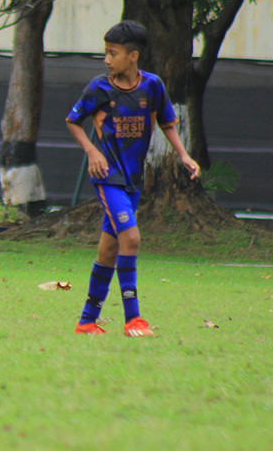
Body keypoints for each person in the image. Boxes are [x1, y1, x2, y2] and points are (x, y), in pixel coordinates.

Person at [66, 21, 200, 337]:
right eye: (106, 53)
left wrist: (183, 155)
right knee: (132, 238)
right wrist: (91, 152)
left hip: (133, 180)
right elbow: (73, 121)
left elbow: (168, 123)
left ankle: (86, 322)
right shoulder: (99, 88)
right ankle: (133, 320)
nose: (107, 60)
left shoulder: (152, 86)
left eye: (113, 53)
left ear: (133, 56)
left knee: (108, 251)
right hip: (107, 176)